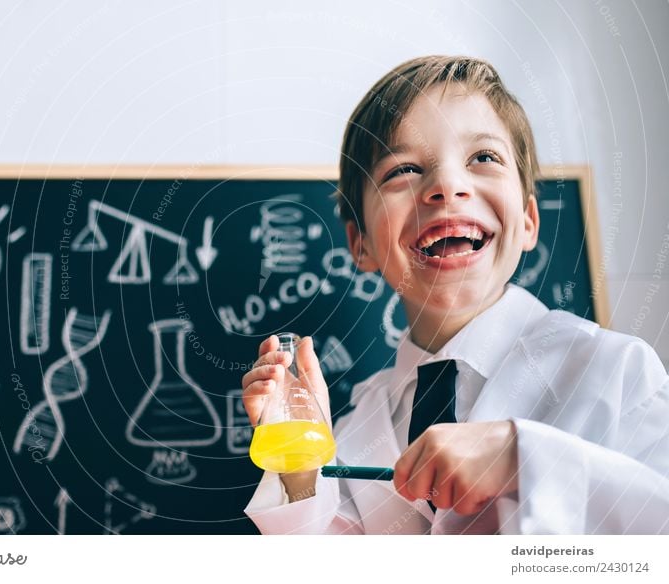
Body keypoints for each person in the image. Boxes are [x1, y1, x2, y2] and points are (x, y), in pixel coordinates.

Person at [240, 55, 669, 535]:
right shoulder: (359, 424)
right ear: (359, 245)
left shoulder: (616, 372)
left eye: (483, 158)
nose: (446, 186)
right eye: (402, 169)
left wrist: (522, 459)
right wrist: (301, 460)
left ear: (528, 220)